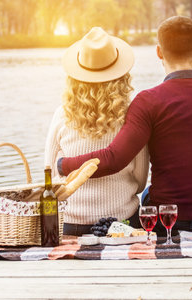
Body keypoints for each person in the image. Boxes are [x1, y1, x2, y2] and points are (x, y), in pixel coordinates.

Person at [57, 16, 192, 236]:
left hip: (167, 219)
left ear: (159, 52)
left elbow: (115, 158)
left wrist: (64, 165)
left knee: (149, 194)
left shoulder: (148, 101)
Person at [44, 27, 149, 236]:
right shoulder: (132, 116)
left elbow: (49, 172)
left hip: (71, 223)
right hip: (121, 222)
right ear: (121, 75)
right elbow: (140, 181)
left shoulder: (61, 115)